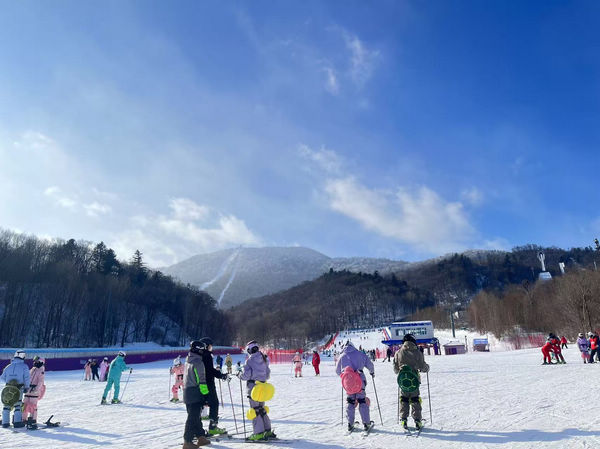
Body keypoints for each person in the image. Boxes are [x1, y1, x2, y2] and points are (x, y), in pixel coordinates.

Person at [239, 340, 275, 441]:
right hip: (262, 387)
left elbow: (246, 375)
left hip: (253, 388)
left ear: (250, 350)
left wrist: (239, 375)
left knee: (254, 410)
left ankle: (258, 433)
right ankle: (267, 430)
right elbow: (267, 374)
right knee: (261, 409)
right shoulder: (264, 358)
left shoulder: (250, 360)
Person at [335, 341, 374, 433]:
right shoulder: (360, 354)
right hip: (360, 381)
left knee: (350, 401)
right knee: (362, 401)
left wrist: (343, 375)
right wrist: (372, 372)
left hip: (348, 383)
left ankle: (350, 423)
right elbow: (370, 364)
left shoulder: (342, 356)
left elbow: (337, 371)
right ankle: (366, 423)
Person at [394, 334, 429, 431]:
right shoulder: (417, 352)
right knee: (415, 399)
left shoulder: (398, 352)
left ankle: (403, 419)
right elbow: (422, 367)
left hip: (403, 380)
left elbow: (395, 369)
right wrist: (427, 368)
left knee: (404, 399)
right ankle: (417, 420)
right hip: (414, 380)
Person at [182, 340, 211, 448]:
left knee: (195, 416)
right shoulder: (198, 362)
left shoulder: (188, 360)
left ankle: (200, 437)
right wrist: (206, 395)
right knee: (193, 418)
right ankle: (187, 441)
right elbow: (201, 381)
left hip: (187, 392)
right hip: (195, 393)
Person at [198, 337, 228, 436]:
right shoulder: (207, 355)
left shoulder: (199, 355)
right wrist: (221, 375)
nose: (211, 348)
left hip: (200, 384)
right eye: (210, 346)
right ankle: (213, 427)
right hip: (208, 384)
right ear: (206, 346)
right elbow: (210, 370)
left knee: (201, 404)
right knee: (214, 403)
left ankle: (197, 429)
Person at [1, 350, 30, 428]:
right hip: (18, 388)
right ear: (23, 356)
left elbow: (2, 377)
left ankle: (5, 422)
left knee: (7, 404)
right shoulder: (24, 366)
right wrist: (27, 387)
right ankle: (17, 422)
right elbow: (27, 378)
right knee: (18, 405)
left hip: (8, 388)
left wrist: (9, 381)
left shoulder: (8, 366)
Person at [23, 356, 46, 429]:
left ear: (41, 362)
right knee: (25, 404)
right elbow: (27, 378)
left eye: (37, 362)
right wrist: (25, 386)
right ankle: (24, 419)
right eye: (34, 361)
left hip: (34, 391)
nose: (35, 363)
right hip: (28, 389)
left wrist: (36, 389)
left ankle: (33, 419)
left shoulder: (41, 371)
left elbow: (40, 381)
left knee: (33, 405)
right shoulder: (33, 369)